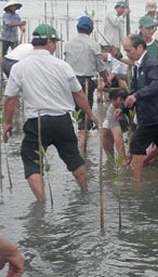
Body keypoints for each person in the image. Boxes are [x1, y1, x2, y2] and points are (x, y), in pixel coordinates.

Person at [2, 24, 98, 202]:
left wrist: (7, 124)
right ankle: (85, 194)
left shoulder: (20, 67)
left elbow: (9, 99)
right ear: (48, 42)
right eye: (54, 43)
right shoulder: (63, 66)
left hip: (37, 122)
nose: (55, 46)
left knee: (32, 161)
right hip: (62, 121)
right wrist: (91, 115)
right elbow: (78, 94)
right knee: (74, 159)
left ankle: (42, 203)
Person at [121, 34, 158, 181]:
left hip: (155, 113)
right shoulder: (138, 65)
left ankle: (137, 183)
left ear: (139, 47)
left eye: (129, 50)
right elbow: (134, 90)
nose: (127, 53)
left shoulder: (151, 63)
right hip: (149, 113)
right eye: (125, 50)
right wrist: (123, 107)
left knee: (136, 144)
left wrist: (137, 96)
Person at [63, 16, 109, 151]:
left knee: (74, 110)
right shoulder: (93, 44)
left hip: (69, 81)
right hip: (85, 82)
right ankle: (82, 145)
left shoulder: (68, 43)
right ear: (91, 30)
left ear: (77, 28)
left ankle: (81, 137)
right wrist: (106, 81)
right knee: (84, 111)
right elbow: (101, 67)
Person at [101, 88, 130, 164]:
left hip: (134, 119)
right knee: (105, 130)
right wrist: (123, 159)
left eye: (122, 100)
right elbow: (118, 136)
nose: (120, 102)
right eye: (113, 101)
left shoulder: (131, 103)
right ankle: (111, 159)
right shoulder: (111, 109)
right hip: (118, 120)